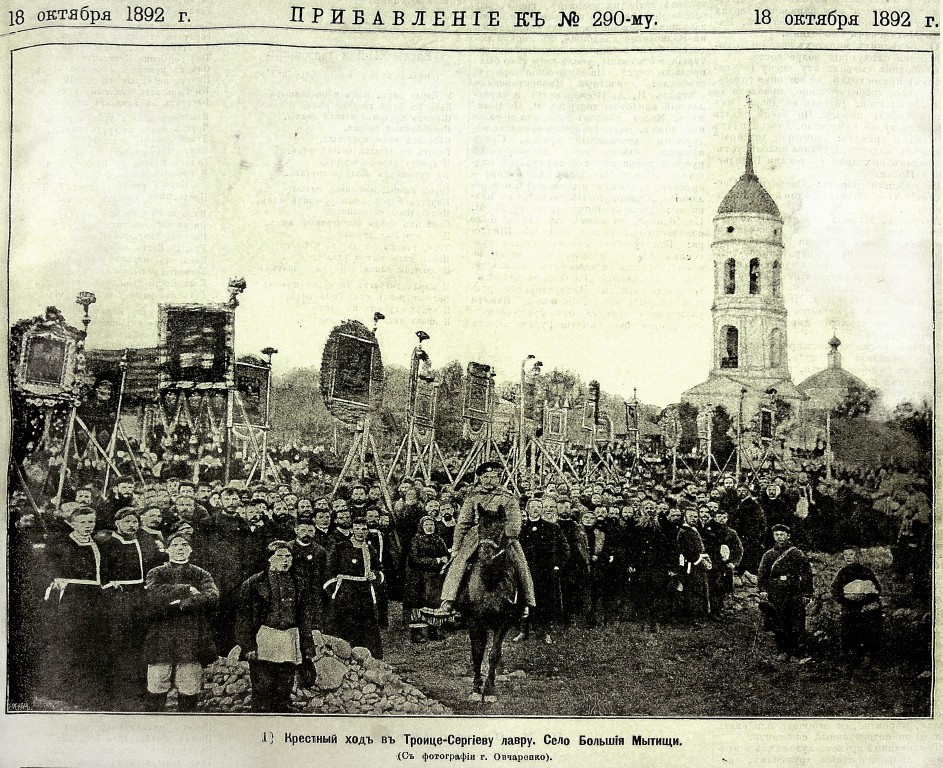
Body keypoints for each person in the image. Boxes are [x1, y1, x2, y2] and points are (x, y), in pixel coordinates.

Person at [439, 461, 536, 615]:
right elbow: (463, 524)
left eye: (493, 477)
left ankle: (527, 601)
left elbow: (515, 523)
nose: (489, 480)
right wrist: (456, 548)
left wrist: (502, 535)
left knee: (519, 562)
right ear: (480, 479)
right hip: (477, 535)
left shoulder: (508, 498)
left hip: (503, 537)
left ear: (499, 479)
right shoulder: (472, 497)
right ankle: (448, 601)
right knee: (459, 562)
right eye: (486, 477)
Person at [40, 504, 108, 709]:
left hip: (93, 598)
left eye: (91, 522)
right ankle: (58, 688)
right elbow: (50, 569)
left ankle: (84, 690)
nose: (88, 526)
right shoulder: (62, 544)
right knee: (67, 643)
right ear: (73, 524)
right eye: (83, 522)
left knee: (89, 643)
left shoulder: (97, 545)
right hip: (70, 598)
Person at [143, 531, 219, 712]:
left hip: (191, 635)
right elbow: (154, 595)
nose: (180, 549)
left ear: (191, 549)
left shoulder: (201, 574)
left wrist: (184, 603)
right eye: (175, 545)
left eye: (184, 545)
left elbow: (212, 596)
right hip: (161, 635)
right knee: (157, 682)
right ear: (167, 549)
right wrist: (187, 589)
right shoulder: (157, 572)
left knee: (189, 684)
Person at [236, 541, 316, 713]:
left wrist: (307, 647)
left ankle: (282, 713)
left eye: (288, 556)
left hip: (288, 636)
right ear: (270, 559)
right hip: (264, 635)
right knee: (263, 684)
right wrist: (248, 645)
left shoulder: (298, 582)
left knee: (285, 681)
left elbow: (304, 617)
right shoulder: (254, 583)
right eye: (280, 556)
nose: (285, 560)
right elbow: (243, 618)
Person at [324, 517, 384, 658]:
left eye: (364, 529)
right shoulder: (340, 547)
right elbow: (329, 572)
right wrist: (337, 590)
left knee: (367, 625)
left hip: (365, 593)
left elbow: (379, 569)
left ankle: (368, 659)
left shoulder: (370, 549)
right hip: (346, 592)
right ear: (351, 530)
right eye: (357, 528)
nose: (360, 532)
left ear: (368, 531)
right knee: (345, 624)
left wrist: (374, 575)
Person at [757, 524, 813, 662]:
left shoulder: (796, 553)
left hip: (794, 591)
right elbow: (762, 574)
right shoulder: (769, 555)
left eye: (782, 534)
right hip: (776, 592)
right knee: (778, 622)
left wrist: (806, 593)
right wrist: (763, 590)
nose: (779, 537)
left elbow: (806, 575)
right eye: (776, 534)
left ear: (788, 536)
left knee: (795, 622)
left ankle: (795, 652)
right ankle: (782, 650)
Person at [830, 547, 883, 663]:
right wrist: (845, 598)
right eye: (845, 554)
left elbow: (877, 589)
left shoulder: (865, 571)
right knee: (847, 627)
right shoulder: (842, 572)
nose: (848, 557)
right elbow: (834, 590)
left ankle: (867, 655)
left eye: (851, 554)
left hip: (864, 606)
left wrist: (864, 598)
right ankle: (850, 654)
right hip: (849, 606)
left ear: (857, 556)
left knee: (866, 627)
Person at [403, 516, 450, 642]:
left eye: (432, 525)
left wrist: (445, 558)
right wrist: (436, 561)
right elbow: (414, 559)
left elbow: (445, 553)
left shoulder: (438, 539)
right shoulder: (416, 540)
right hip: (418, 578)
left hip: (434, 577)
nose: (429, 527)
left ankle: (433, 630)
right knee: (418, 605)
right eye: (427, 525)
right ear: (421, 527)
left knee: (433, 604)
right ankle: (418, 634)